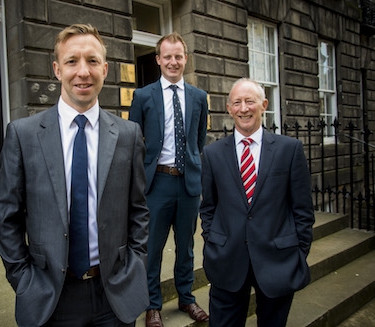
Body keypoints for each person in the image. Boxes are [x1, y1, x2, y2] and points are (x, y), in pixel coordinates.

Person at [0, 24, 149, 327]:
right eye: (71, 61)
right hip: (50, 296)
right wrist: (23, 279)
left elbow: (139, 210)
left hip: (114, 294)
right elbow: (6, 217)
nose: (83, 72)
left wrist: (135, 266)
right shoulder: (23, 135)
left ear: (104, 69)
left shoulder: (128, 135)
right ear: (56, 69)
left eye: (92, 61)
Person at [199, 77, 315, 327]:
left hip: (278, 262)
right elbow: (209, 207)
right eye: (237, 103)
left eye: (249, 101)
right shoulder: (212, 154)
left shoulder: (289, 149)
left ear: (263, 105)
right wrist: (212, 243)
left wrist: (298, 252)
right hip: (227, 261)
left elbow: (302, 209)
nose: (243, 108)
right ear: (229, 109)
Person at [129, 32, 209, 327]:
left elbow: (198, 140)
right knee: (152, 249)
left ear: (185, 59)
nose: (173, 62)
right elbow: (132, 141)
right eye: (168, 56)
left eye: (179, 56)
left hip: (188, 183)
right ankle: (152, 305)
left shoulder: (199, 97)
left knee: (187, 246)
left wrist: (193, 168)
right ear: (158, 60)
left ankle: (186, 298)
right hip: (156, 184)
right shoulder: (143, 96)